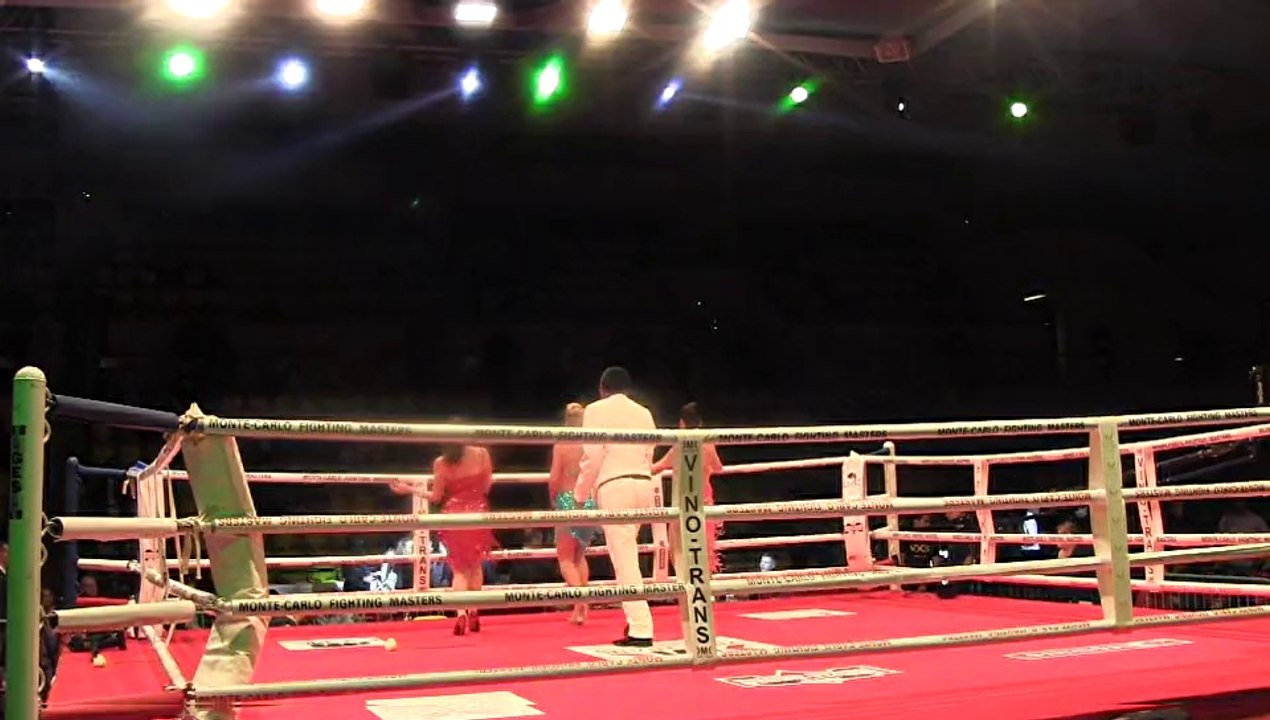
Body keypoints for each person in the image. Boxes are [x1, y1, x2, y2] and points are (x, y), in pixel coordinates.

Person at [574, 367, 657, 647]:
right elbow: (650, 449)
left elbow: (592, 454)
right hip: (643, 483)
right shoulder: (643, 412)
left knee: (625, 561)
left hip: (615, 485)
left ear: (602, 388)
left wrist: (580, 493)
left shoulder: (595, 410)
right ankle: (636, 620)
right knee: (628, 557)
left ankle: (641, 629)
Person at [391, 434, 495, 635]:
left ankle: (461, 613)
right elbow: (486, 486)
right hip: (478, 512)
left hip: (454, 516)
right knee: (474, 565)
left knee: (460, 570)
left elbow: (436, 497)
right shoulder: (482, 454)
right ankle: (474, 609)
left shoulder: (441, 463)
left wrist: (409, 489)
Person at [651, 402, 725, 574]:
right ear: (699, 422)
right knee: (704, 550)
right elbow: (718, 467)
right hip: (703, 501)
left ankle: (685, 588)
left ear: (682, 423)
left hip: (683, 504)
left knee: (678, 549)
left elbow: (657, 467)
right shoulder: (707, 443)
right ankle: (707, 593)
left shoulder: (680, 445)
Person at [548, 402, 595, 625]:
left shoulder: (563, 444)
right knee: (579, 556)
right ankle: (580, 610)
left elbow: (554, 478)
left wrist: (553, 499)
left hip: (567, 500)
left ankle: (580, 603)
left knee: (565, 558)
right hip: (587, 500)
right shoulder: (590, 443)